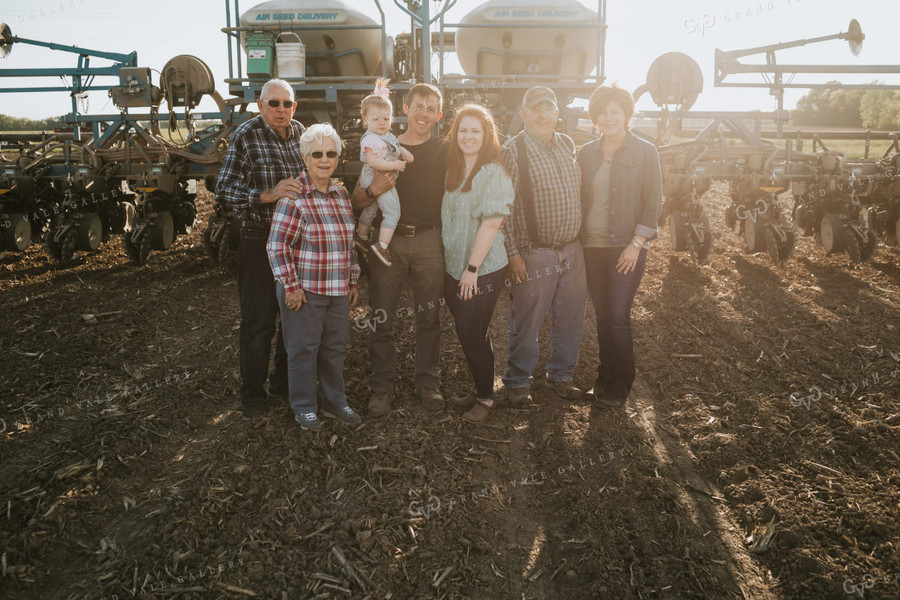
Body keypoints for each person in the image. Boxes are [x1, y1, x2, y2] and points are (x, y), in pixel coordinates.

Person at [351, 83, 446, 417]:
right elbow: (357, 201)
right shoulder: (382, 146)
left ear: (438, 113)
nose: (423, 112)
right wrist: (373, 189)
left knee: (429, 316)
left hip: (429, 241)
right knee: (382, 316)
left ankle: (427, 382)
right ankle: (381, 386)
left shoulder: (444, 150)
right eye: (417, 105)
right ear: (405, 109)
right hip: (387, 242)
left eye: (430, 107)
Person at [216, 78, 305, 420]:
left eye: (287, 104)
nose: (281, 109)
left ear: (294, 107)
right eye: (274, 103)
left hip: (296, 241)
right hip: (260, 239)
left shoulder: (301, 133)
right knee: (258, 322)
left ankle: (281, 383)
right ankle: (252, 394)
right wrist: (266, 195)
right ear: (259, 105)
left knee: (293, 319)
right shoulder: (246, 136)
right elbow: (223, 189)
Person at [266, 123, 362, 430]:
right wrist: (291, 286)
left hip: (337, 291)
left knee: (334, 349)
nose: (324, 159)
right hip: (304, 291)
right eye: (316, 153)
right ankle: (305, 406)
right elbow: (277, 245)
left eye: (330, 153)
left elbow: (348, 244)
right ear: (305, 157)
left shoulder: (341, 194)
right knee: (304, 349)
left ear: (337, 158)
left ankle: (335, 403)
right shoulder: (293, 197)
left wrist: (352, 280)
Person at [501, 86, 587, 407]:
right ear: (523, 115)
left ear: (557, 114)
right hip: (535, 252)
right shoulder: (513, 150)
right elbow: (503, 206)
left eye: (548, 108)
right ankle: (518, 381)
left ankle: (561, 376)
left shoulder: (566, 144)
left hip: (572, 250)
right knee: (527, 318)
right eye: (535, 109)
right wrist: (512, 254)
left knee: (570, 316)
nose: (542, 115)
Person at [577, 85, 662, 407]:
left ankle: (621, 384)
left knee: (617, 315)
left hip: (625, 248)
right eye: (602, 112)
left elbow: (653, 202)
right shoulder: (586, 153)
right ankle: (603, 377)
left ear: (627, 115)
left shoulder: (644, 151)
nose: (608, 117)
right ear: (595, 118)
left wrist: (635, 244)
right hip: (591, 248)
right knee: (601, 315)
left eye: (615, 111)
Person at [441, 105, 514, 423]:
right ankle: (482, 386)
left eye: (476, 131)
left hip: (480, 271)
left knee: (471, 333)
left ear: (486, 136)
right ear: (455, 134)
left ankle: (485, 399)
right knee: (474, 333)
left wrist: (471, 270)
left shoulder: (492, 172)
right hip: (453, 267)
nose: (468, 136)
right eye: (463, 130)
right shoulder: (453, 171)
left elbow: (491, 224)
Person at [354, 78, 415, 267]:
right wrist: (396, 165)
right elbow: (372, 161)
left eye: (386, 118)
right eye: (376, 119)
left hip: (381, 173)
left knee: (371, 208)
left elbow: (394, 146)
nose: (382, 122)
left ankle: (360, 236)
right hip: (377, 176)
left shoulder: (386, 136)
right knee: (392, 212)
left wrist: (403, 151)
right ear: (365, 120)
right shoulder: (369, 139)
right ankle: (382, 245)